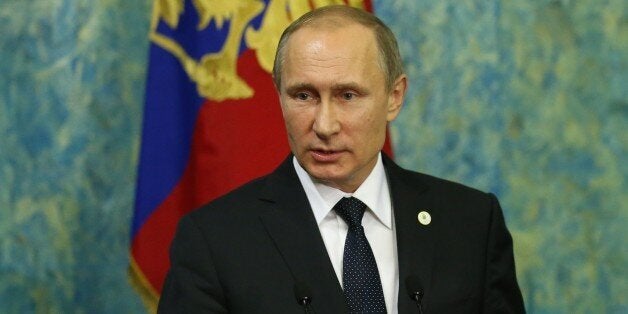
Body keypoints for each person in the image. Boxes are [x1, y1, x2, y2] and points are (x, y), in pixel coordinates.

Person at [158, 5, 525, 314]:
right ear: (279, 95)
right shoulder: (213, 240)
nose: (324, 125)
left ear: (394, 97)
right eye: (303, 96)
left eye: (348, 95)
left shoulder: (471, 222)